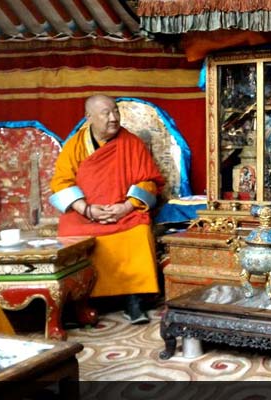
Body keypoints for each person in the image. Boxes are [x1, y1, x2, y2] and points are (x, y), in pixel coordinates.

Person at [50, 94, 165, 324]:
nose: (114, 118)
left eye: (116, 111)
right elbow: (61, 183)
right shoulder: (74, 146)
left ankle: (134, 299)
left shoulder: (131, 143)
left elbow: (149, 181)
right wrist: (87, 209)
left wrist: (125, 207)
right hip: (88, 214)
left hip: (124, 213)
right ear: (89, 117)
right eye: (106, 113)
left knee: (139, 232)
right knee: (70, 232)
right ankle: (82, 300)